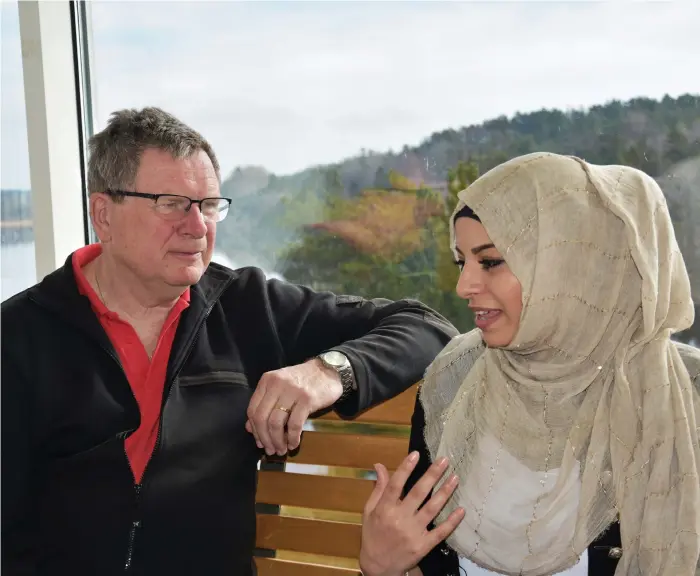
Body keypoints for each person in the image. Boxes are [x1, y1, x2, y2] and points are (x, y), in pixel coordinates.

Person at [0, 107, 459, 576]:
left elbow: (426, 326)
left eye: (208, 205)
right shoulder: (16, 337)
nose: (198, 227)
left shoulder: (245, 306)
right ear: (104, 214)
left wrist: (328, 371)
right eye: (171, 203)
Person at [358, 152, 700, 576]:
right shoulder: (454, 380)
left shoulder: (683, 395)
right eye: (462, 262)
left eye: (491, 261)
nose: (465, 285)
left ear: (572, 265)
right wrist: (378, 568)